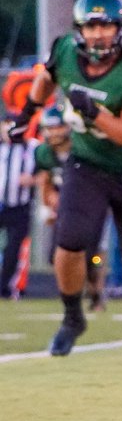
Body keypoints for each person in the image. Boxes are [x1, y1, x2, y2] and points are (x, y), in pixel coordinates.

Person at [2, 0, 122, 361]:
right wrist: (27, 112)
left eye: (105, 26)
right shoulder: (65, 51)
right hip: (87, 164)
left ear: (120, 29)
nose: (97, 35)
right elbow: (47, 77)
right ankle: (73, 316)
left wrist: (95, 112)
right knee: (70, 241)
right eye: (90, 26)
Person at [32, 106, 106, 308]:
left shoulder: (82, 149)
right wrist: (50, 202)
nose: (54, 132)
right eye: (49, 128)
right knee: (56, 255)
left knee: (93, 255)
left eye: (58, 127)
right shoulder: (43, 152)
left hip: (91, 205)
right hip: (64, 211)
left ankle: (96, 289)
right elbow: (45, 182)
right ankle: (73, 291)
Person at [0, 109, 38, 300]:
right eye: (5, 123)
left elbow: (47, 172)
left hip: (20, 206)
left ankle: (4, 287)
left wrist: (33, 180)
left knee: (13, 250)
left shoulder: (33, 147)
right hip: (1, 203)